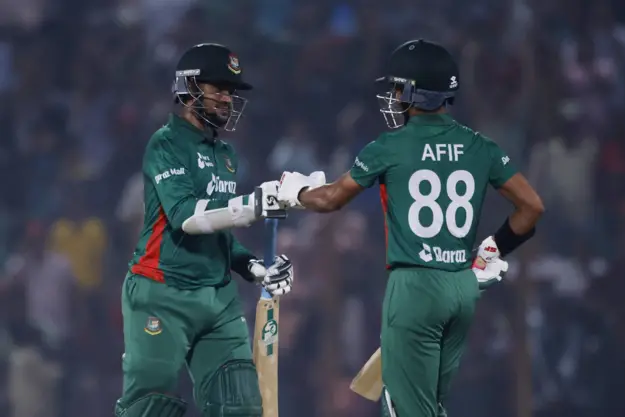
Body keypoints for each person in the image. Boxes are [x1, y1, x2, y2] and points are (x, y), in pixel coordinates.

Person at [277, 39, 544, 417]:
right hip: (462, 286)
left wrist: (294, 192)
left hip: (414, 288)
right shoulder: (479, 146)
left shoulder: (390, 146)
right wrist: (491, 251)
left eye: (395, 89)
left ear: (412, 91)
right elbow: (531, 207)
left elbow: (331, 199)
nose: (392, 97)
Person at [115, 43, 294, 417]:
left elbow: (218, 232)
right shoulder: (165, 144)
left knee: (240, 404)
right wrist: (253, 205)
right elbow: (185, 217)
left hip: (217, 299)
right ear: (189, 89)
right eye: (218, 88)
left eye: (231, 91)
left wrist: (254, 268)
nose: (227, 98)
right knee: (152, 407)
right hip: (161, 291)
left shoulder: (226, 156)